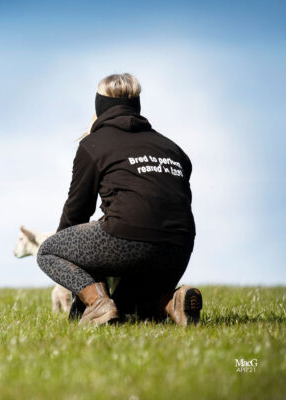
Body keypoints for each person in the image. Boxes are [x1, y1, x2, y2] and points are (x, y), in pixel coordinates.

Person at [37, 73, 202, 327]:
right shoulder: (173, 149)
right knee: (127, 311)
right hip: (179, 249)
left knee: (47, 251)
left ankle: (98, 304)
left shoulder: (94, 144)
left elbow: (76, 212)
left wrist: (72, 265)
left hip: (128, 240)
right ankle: (172, 300)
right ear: (136, 104)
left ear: (99, 105)